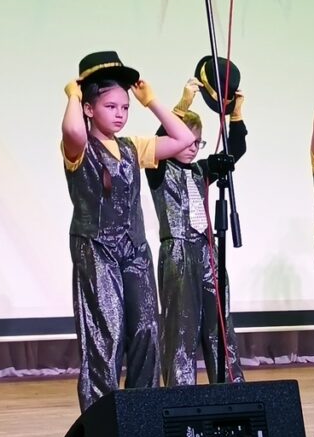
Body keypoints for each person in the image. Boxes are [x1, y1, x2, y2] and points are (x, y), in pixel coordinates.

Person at [61, 51, 194, 410]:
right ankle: (102, 418)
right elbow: (72, 129)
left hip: (134, 248)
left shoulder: (133, 146)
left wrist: (151, 102)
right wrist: (73, 93)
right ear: (89, 108)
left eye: (124, 107)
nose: (119, 114)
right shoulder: (79, 146)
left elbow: (182, 139)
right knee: (105, 333)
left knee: (146, 329)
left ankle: (142, 413)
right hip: (96, 247)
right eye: (110, 107)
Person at [146, 66, 247, 386]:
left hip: (206, 250)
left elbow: (235, 151)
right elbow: (159, 138)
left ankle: (230, 389)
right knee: (182, 326)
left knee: (220, 323)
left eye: (198, 142)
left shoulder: (201, 169)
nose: (192, 147)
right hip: (178, 251)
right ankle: (181, 392)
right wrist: (182, 105)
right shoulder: (159, 168)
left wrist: (236, 114)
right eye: (187, 140)